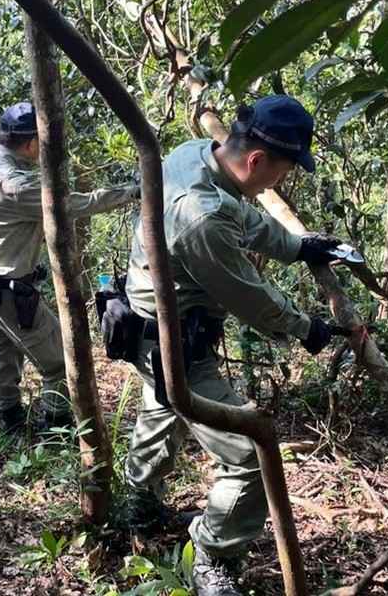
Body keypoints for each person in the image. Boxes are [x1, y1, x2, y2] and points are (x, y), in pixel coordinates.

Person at [122, 95, 341, 595]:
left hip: (148, 327)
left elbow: (241, 215)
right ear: (258, 160)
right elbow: (247, 294)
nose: (279, 185)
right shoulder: (199, 216)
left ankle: (138, 501)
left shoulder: (196, 154)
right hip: (173, 343)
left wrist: (295, 245)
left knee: (161, 412)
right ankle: (213, 558)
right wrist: (305, 328)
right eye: (283, 174)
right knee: (249, 459)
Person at [0, 102, 139, 433]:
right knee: (58, 361)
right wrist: (132, 191)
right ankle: (56, 427)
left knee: (2, 354)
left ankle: (9, 421)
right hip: (7, 291)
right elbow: (76, 205)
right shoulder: (15, 187)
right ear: (30, 144)